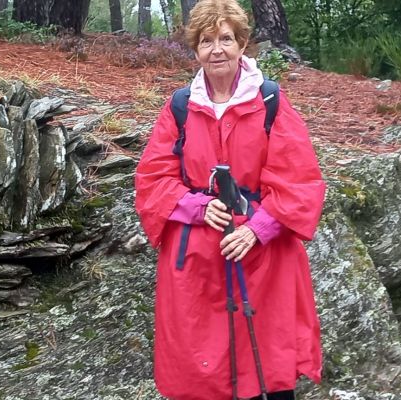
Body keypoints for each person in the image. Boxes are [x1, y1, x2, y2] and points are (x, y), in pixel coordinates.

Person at [132, 0, 327, 398]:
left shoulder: (270, 100)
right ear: (196, 49)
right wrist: (198, 207)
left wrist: (258, 229)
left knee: (268, 362)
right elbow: (152, 179)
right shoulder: (181, 107)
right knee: (203, 367)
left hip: (264, 256)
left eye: (225, 39)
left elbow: (299, 178)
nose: (216, 49)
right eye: (206, 41)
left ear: (242, 44)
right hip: (198, 256)